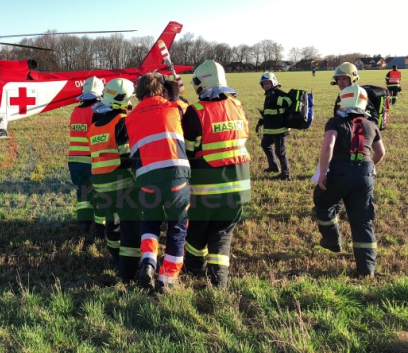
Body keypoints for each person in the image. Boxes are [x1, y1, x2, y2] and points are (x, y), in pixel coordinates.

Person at [181, 60, 251, 288]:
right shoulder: (238, 105)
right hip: (239, 186)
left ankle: (193, 270)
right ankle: (218, 284)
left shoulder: (195, 111)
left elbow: (188, 152)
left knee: (198, 232)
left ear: (201, 83)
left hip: (206, 188)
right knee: (222, 235)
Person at [125, 72, 191, 292]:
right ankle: (167, 279)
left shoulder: (130, 117)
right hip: (175, 177)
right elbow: (186, 108)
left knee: (150, 222)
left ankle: (148, 263)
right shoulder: (175, 108)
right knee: (178, 225)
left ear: (139, 93)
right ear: (161, 90)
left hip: (146, 178)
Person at [314, 85, 385, 277]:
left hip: (339, 174)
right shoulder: (371, 123)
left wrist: (322, 173)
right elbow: (381, 152)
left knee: (323, 202)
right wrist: (370, 167)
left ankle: (332, 240)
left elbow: (328, 146)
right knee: (362, 221)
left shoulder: (336, 122)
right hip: (365, 176)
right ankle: (367, 270)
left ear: (342, 101)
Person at [87, 78, 141, 282]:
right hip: (121, 183)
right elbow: (126, 155)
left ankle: (116, 258)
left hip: (100, 184)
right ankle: (129, 270)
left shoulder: (95, 124)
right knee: (130, 226)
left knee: (112, 222)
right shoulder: (121, 121)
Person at [67, 76, 107, 236]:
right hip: (92, 161)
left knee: (83, 194)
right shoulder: (97, 111)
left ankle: (84, 225)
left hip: (74, 161)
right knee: (99, 195)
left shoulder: (75, 111)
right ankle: (100, 229)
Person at [256, 72, 292, 180]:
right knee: (265, 144)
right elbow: (269, 111)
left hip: (280, 129)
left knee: (280, 152)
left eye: (268, 83)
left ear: (274, 82)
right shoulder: (268, 95)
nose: (266, 85)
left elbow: (288, 101)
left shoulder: (277, 93)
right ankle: (273, 166)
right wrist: (261, 122)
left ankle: (286, 174)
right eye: (264, 84)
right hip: (271, 128)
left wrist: (275, 98)